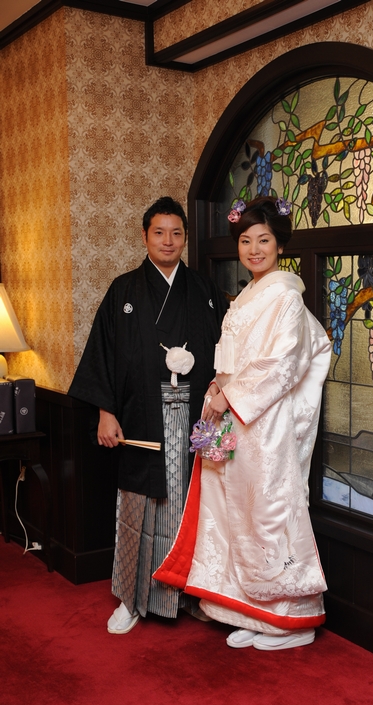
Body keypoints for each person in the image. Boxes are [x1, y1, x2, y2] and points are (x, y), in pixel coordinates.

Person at [154, 196, 332, 651]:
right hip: (236, 418)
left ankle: (293, 619)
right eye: (246, 241)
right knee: (238, 516)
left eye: (264, 240)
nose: (254, 249)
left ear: (280, 245)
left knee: (269, 514)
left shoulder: (286, 297)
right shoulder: (248, 295)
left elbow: (281, 365)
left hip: (265, 424)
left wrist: (228, 396)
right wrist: (219, 386)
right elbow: (234, 358)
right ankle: (254, 612)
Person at [68, 196, 228, 634]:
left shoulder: (204, 291)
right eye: (159, 232)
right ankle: (131, 599)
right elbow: (103, 354)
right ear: (144, 236)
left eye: (176, 233)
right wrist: (106, 413)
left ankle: (190, 595)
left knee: (192, 507)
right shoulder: (124, 291)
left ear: (185, 238)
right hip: (141, 417)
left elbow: (228, 352)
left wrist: (222, 396)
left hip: (196, 418)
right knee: (139, 508)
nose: (168, 241)